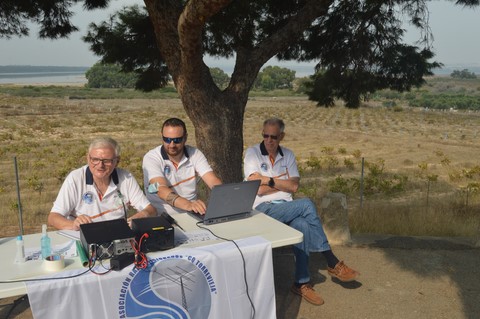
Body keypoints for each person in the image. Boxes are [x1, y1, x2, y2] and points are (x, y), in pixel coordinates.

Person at [243, 117, 359, 306]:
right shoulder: (253, 154)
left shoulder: (288, 155)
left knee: (303, 225)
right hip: (263, 209)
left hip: (287, 208)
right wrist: (282, 184)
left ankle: (301, 283)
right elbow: (258, 190)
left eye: (273, 136)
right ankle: (331, 261)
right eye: (265, 135)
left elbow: (294, 187)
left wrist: (269, 180)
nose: (269, 140)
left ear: (282, 136)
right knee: (306, 204)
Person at [48, 137, 157, 230]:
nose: (100, 165)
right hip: (85, 237)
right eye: (95, 159)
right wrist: (74, 224)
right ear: (88, 158)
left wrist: (142, 215)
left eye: (106, 161)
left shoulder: (125, 178)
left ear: (117, 161)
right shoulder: (75, 178)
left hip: (118, 236)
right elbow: (53, 217)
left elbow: (151, 210)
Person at [142, 117, 222, 215]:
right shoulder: (152, 158)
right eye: (167, 139)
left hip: (192, 213)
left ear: (185, 138)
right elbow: (160, 189)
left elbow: (213, 181)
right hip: (162, 215)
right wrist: (188, 205)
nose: (172, 145)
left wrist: (226, 196)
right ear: (161, 136)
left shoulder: (195, 154)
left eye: (177, 140)